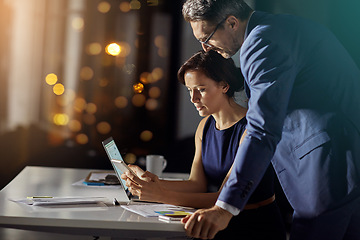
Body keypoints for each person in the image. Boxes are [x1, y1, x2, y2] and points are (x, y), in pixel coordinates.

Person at [181, 0, 360, 239]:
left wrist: (224, 208)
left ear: (232, 22)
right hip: (346, 161)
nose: (205, 48)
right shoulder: (280, 27)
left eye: (208, 37)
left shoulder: (261, 42)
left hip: (329, 169)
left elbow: (262, 129)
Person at [121, 50, 286, 239]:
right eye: (190, 90)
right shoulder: (205, 126)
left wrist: (160, 194)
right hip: (213, 222)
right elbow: (196, 184)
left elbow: (223, 199)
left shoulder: (251, 129)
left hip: (253, 226)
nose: (193, 99)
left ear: (224, 86)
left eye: (201, 89)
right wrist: (151, 183)